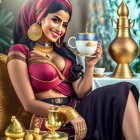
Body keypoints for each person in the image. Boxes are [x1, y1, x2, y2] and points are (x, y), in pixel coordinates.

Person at [7, 0, 140, 140]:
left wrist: (89, 66)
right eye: (55, 20)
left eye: (64, 24)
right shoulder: (20, 52)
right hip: (50, 120)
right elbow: (28, 104)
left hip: (79, 112)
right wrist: (67, 112)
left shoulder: (64, 52)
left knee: (121, 91)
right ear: (39, 17)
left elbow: (80, 93)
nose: (60, 29)